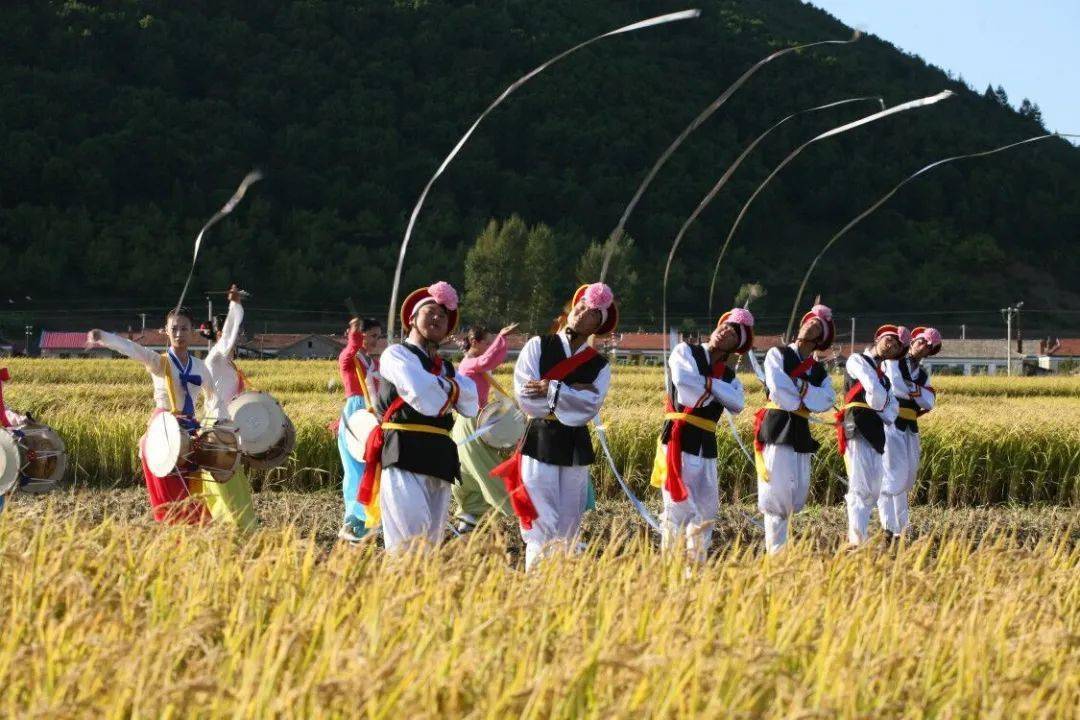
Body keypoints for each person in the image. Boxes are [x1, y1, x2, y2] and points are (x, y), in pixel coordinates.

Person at [493, 282, 616, 571]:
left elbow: (590, 407)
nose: (582, 312)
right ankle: (536, 581)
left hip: (575, 443)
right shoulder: (538, 345)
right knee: (539, 518)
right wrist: (572, 392)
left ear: (599, 324)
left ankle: (561, 583)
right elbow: (526, 398)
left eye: (591, 312)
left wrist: (552, 388)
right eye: (580, 306)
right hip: (539, 439)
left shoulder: (600, 364)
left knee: (569, 520)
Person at [356, 281, 478, 553]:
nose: (437, 317)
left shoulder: (446, 366)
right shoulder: (396, 354)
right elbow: (423, 394)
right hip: (404, 450)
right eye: (430, 311)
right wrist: (452, 389)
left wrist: (444, 386)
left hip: (440, 456)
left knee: (430, 543)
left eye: (444, 316)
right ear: (411, 318)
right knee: (409, 542)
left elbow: (472, 402)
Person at [87, 307, 221, 524]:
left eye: (184, 328)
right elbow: (132, 348)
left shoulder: (200, 367)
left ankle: (194, 535)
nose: (179, 333)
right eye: (174, 328)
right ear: (165, 331)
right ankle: (175, 535)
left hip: (191, 431)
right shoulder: (159, 362)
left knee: (193, 491)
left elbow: (213, 398)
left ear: (192, 331)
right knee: (171, 495)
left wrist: (210, 424)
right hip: (164, 430)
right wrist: (104, 337)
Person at [652, 309, 749, 563]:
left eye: (734, 332)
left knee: (707, 511)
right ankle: (670, 567)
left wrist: (706, 383)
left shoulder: (730, 376)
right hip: (678, 439)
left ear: (736, 345)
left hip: (707, 445)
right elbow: (686, 389)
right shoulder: (685, 351)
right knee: (677, 509)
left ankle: (696, 566)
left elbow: (738, 403)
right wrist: (718, 390)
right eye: (725, 325)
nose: (726, 330)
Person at [752, 305, 837, 553]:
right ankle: (775, 553)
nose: (810, 324)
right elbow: (780, 392)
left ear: (820, 339)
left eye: (817, 325)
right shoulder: (777, 354)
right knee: (776, 494)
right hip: (778, 426)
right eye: (809, 321)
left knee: (795, 494)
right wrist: (807, 394)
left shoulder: (819, 371)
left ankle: (781, 549)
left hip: (800, 430)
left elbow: (827, 400)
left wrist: (799, 388)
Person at [198, 284, 258, 530]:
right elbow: (229, 333)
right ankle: (232, 530)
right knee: (224, 485)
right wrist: (235, 306)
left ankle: (240, 529)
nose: (236, 336)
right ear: (221, 334)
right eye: (232, 332)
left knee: (233, 484)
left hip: (227, 430)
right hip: (216, 430)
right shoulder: (216, 357)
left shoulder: (229, 363)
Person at [450, 322, 518, 533]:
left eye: (491, 343)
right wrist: (502, 337)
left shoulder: (476, 364)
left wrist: (499, 340)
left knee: (472, 468)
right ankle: (515, 506)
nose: (490, 346)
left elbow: (490, 361)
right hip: (471, 421)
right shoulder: (469, 364)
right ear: (474, 342)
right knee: (485, 466)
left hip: (475, 420)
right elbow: (489, 359)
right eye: (487, 342)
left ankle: (472, 514)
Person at [838, 325, 903, 545]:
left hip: (876, 431)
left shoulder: (884, 379)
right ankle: (856, 541)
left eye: (896, 345)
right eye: (889, 339)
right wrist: (882, 403)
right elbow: (875, 395)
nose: (892, 345)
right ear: (877, 338)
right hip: (856, 425)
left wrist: (882, 403)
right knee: (859, 487)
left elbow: (891, 413)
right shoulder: (857, 360)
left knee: (873, 490)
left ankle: (860, 537)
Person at [879, 326, 941, 538]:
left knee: (907, 476)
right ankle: (889, 526)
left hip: (910, 425)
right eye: (922, 342)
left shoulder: (922, 374)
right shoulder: (894, 361)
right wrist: (917, 392)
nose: (923, 347)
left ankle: (902, 527)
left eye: (928, 347)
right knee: (892, 474)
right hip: (892, 422)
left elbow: (930, 401)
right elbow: (895, 387)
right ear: (913, 341)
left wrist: (912, 390)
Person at [336, 316, 382, 542]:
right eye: (372, 335)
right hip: (357, 415)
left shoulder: (372, 362)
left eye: (378, 336)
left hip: (372, 414)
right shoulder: (349, 357)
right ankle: (353, 522)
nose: (376, 340)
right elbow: (350, 349)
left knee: (372, 471)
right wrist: (354, 332)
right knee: (356, 470)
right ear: (360, 335)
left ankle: (368, 521)